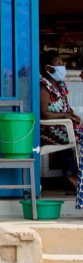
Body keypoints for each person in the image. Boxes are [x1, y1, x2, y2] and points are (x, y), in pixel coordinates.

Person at [39, 51, 83, 205]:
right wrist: (65, 116)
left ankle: (77, 175)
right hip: (50, 130)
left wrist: (72, 115)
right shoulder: (44, 86)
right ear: (48, 68)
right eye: (58, 64)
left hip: (64, 126)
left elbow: (66, 109)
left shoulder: (60, 86)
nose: (62, 67)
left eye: (62, 63)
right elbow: (43, 114)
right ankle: (76, 176)